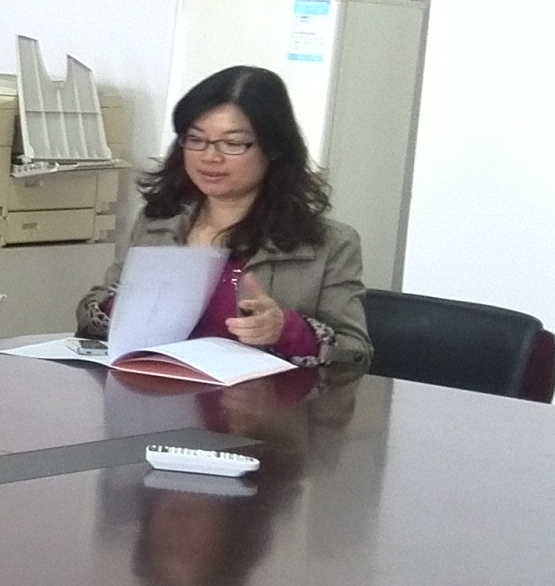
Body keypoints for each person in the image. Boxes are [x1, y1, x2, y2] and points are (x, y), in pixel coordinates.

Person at [78, 65, 370, 369]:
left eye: (233, 144)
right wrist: (119, 308)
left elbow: (356, 353)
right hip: (156, 389)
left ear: (274, 148)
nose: (210, 157)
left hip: (258, 398)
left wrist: (287, 331)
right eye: (196, 139)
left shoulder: (330, 244)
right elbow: (90, 317)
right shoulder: (157, 224)